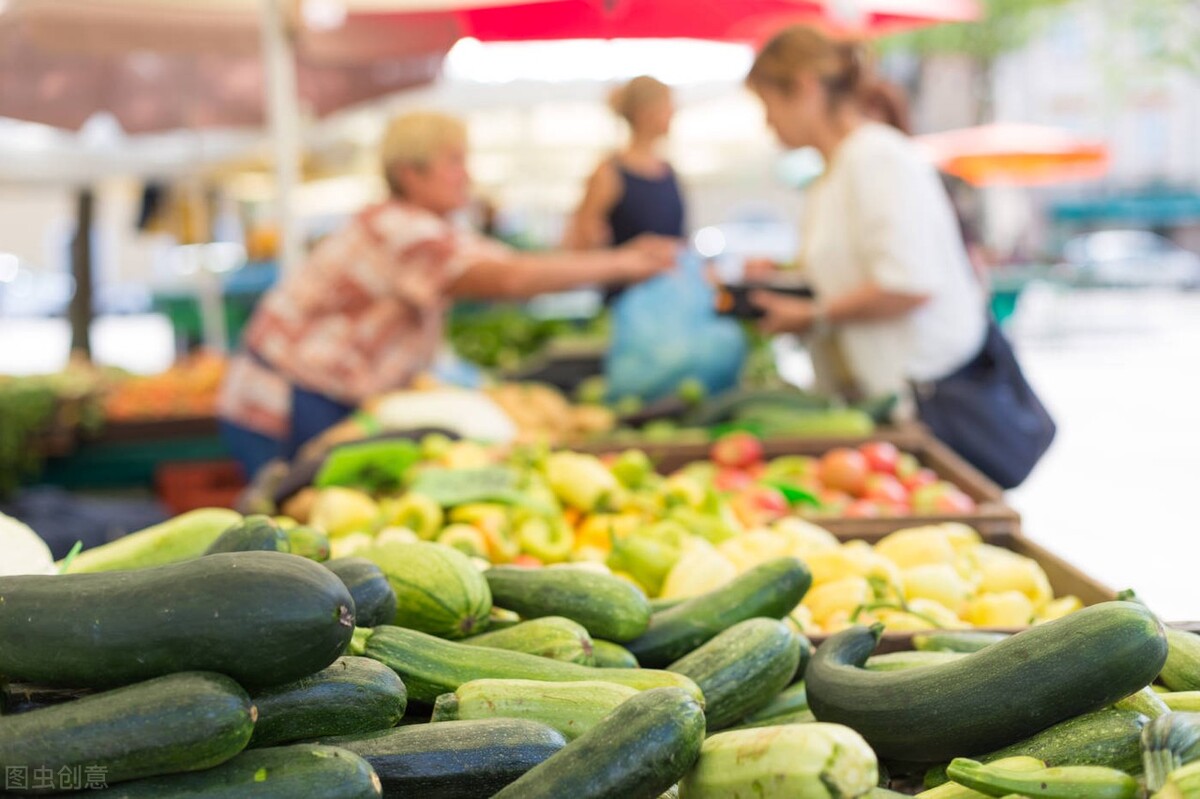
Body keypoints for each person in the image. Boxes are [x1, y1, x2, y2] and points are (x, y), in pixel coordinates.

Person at [218, 111, 677, 477]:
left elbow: (514, 263)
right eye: (453, 161)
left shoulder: (429, 228)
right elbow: (509, 279)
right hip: (285, 400)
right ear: (409, 173)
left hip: (325, 395)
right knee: (295, 526)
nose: (466, 175)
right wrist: (622, 263)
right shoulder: (399, 229)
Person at [743, 25, 988, 407]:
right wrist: (784, 277)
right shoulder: (836, 170)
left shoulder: (875, 157)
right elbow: (855, 269)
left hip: (929, 400)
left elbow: (908, 283)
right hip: (883, 397)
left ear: (805, 87)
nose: (768, 122)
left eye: (768, 103)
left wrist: (812, 314)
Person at [564, 76, 685, 301]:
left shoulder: (668, 170)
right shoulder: (608, 173)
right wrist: (618, 253)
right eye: (667, 105)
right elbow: (577, 246)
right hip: (626, 301)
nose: (674, 112)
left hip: (670, 297)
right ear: (645, 112)